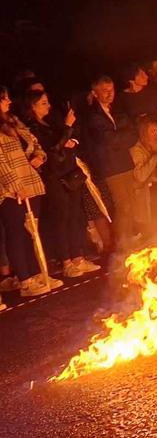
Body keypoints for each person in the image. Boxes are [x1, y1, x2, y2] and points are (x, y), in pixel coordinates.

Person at [22, 90, 99, 279]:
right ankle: (66, 262)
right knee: (62, 218)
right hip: (54, 177)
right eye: (43, 103)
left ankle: (78, 257)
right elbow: (52, 149)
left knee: (75, 215)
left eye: (48, 102)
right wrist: (66, 128)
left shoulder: (51, 122)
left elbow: (67, 139)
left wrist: (71, 137)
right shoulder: (32, 129)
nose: (48, 106)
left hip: (70, 173)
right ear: (32, 106)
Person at [0, 86, 63, 298]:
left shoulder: (13, 121)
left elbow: (33, 142)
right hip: (10, 190)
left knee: (32, 231)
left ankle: (37, 273)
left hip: (30, 181)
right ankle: (24, 279)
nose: (9, 102)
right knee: (16, 233)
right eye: (5, 98)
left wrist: (39, 156)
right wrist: (16, 186)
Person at [85, 75, 146, 248]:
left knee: (131, 203)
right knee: (123, 205)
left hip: (124, 163)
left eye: (111, 90)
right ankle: (122, 241)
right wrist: (126, 136)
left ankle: (129, 236)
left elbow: (131, 133)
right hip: (111, 167)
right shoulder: (93, 115)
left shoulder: (114, 110)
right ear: (94, 93)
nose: (109, 94)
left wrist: (125, 136)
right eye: (104, 91)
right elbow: (110, 140)